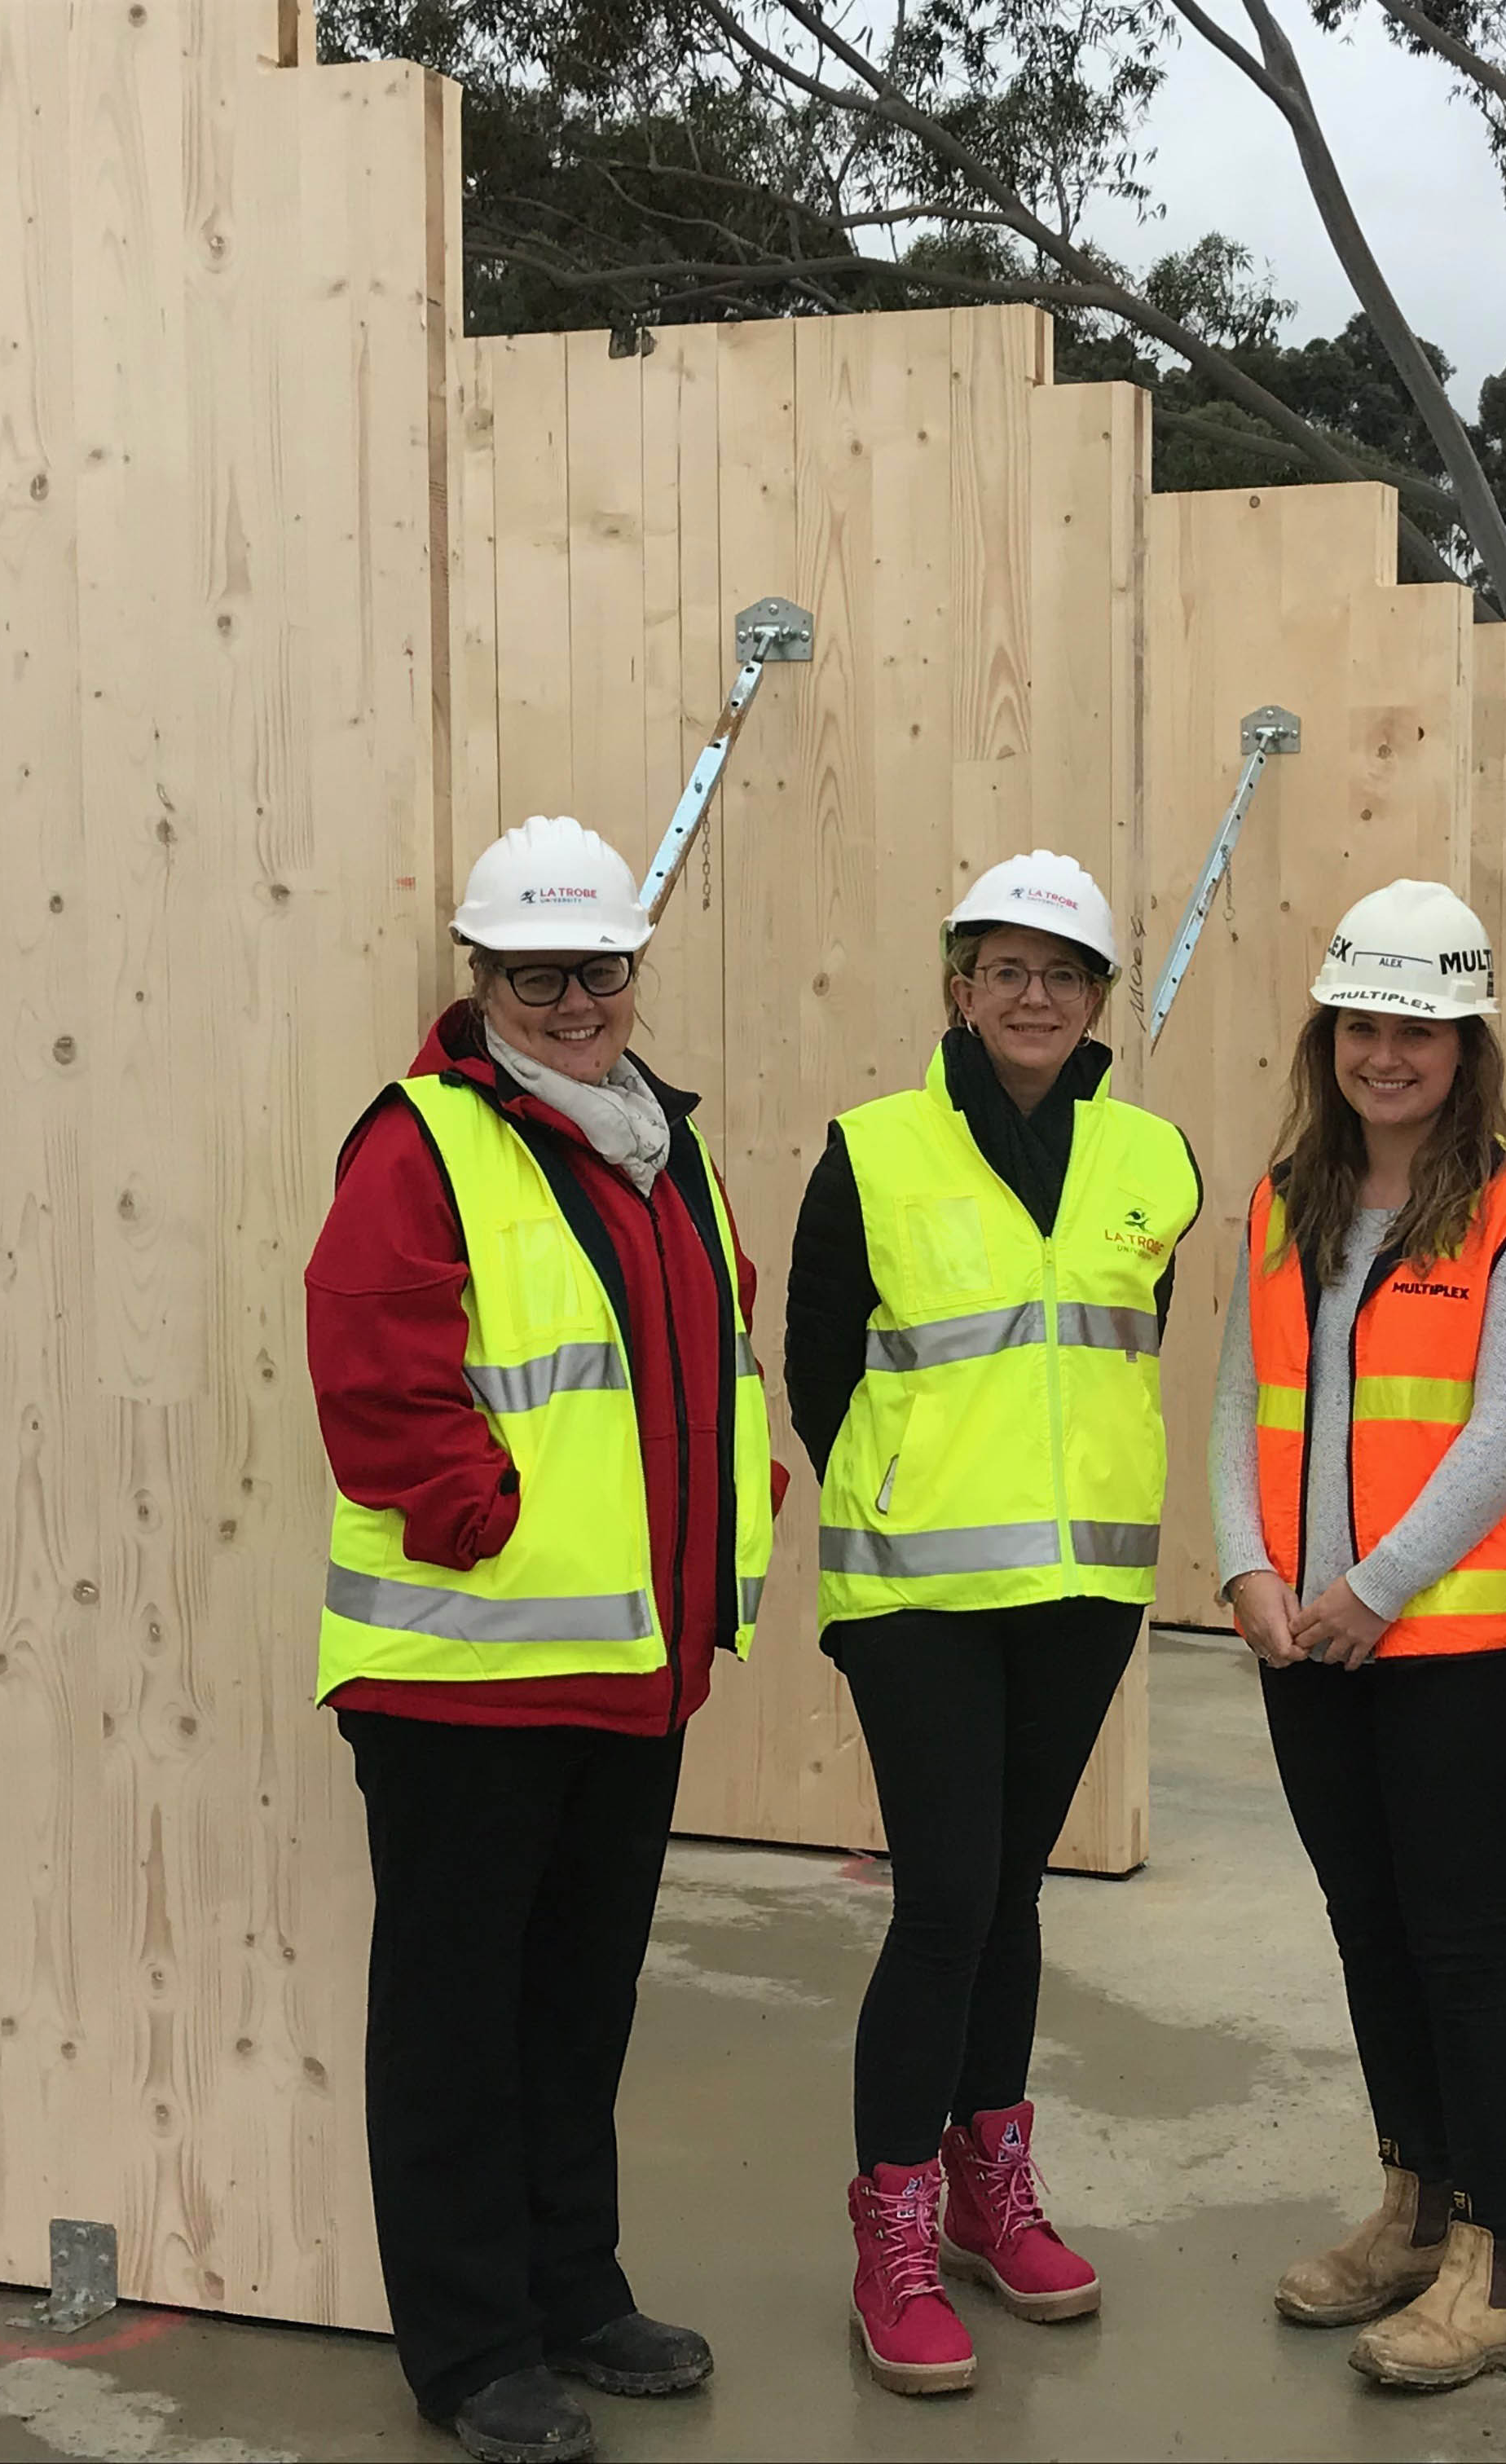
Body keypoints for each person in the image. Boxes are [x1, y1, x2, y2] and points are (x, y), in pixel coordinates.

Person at [305, 813, 777, 2464]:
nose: (574, 1001)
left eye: (597, 971)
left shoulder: (665, 1141)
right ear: (484, 980)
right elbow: (377, 1370)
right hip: (470, 1675)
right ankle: (470, 2347)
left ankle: (575, 2290)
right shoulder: (424, 1141)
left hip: (633, 1671)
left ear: (631, 972)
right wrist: (482, 1518)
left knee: (578, 2005)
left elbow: (708, 1351)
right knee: (456, 2022)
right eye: (538, 975)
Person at [781, 850, 1202, 2396]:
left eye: (1064, 973)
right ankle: (891, 2220)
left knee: (1011, 1888)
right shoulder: (875, 1149)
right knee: (949, 1895)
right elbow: (819, 1355)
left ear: (1099, 1002)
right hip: (916, 1597)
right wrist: (895, 1495)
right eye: (1005, 969)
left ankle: (986, 2188)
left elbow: (1116, 1351)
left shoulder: (1153, 1159)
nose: (1035, 997)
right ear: (960, 990)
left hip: (1079, 1588)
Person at [1211, 881, 1506, 2391]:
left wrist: (1372, 1589)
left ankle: (1495, 2265)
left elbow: (1504, 1434)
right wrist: (1247, 1569)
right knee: (1370, 1936)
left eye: (1420, 1028)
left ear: (1465, 1042)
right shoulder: (1286, 1195)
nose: (1390, 1054)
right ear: (1331, 1035)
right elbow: (1244, 1396)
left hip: (1461, 1655)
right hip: (1305, 1645)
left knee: (1458, 1945)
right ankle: (1412, 2206)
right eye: (1365, 1024)